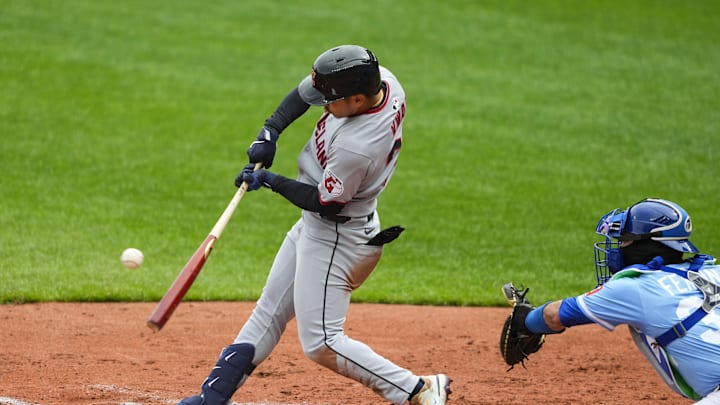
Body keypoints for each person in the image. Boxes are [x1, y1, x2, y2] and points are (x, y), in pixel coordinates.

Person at [179, 45, 451, 405]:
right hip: (323, 228)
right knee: (270, 310)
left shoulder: (358, 147)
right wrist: (270, 131)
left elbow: (326, 202)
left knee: (322, 341)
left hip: (339, 238)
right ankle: (212, 398)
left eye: (331, 100)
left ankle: (417, 389)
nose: (323, 106)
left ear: (356, 100)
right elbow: (303, 95)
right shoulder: (382, 81)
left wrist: (271, 181)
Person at [511, 198, 720, 404]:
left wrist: (524, 321)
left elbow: (553, 316)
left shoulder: (634, 287)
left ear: (646, 244)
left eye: (624, 240)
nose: (618, 247)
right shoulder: (714, 272)